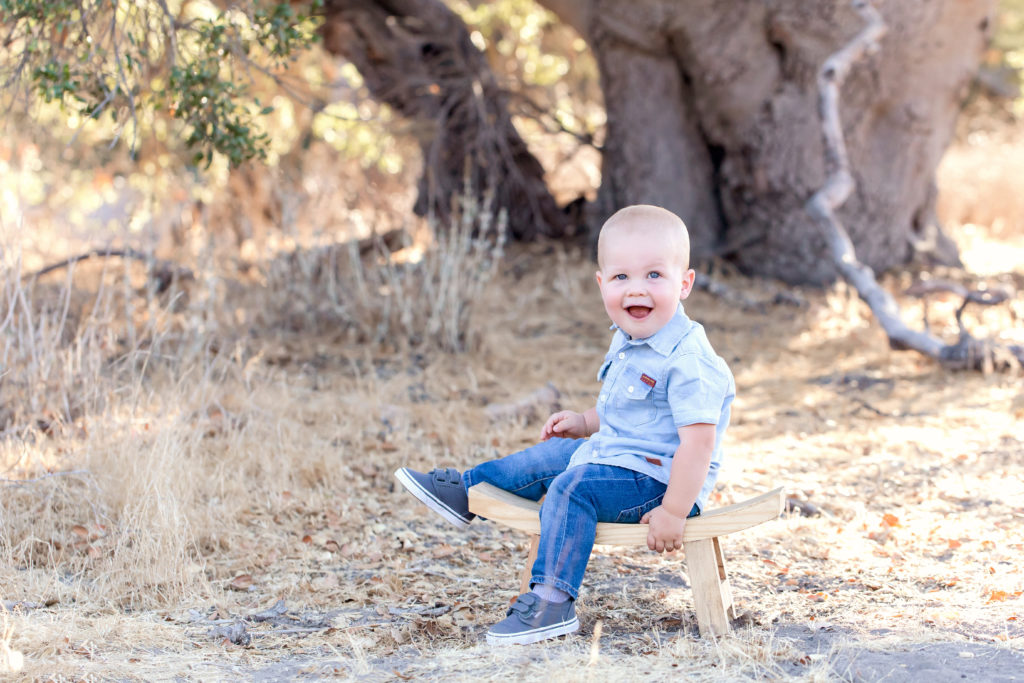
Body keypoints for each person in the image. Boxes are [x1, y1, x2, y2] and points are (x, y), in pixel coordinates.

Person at [395, 204, 736, 646]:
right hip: (619, 457)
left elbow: (698, 445)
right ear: (602, 284)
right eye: (621, 277)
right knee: (549, 456)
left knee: (573, 488)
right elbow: (632, 414)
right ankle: (466, 491)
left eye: (654, 275)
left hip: (660, 483)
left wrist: (673, 511)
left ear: (684, 283)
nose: (637, 288)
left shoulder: (689, 361)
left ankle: (552, 602)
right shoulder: (631, 339)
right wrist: (584, 422)